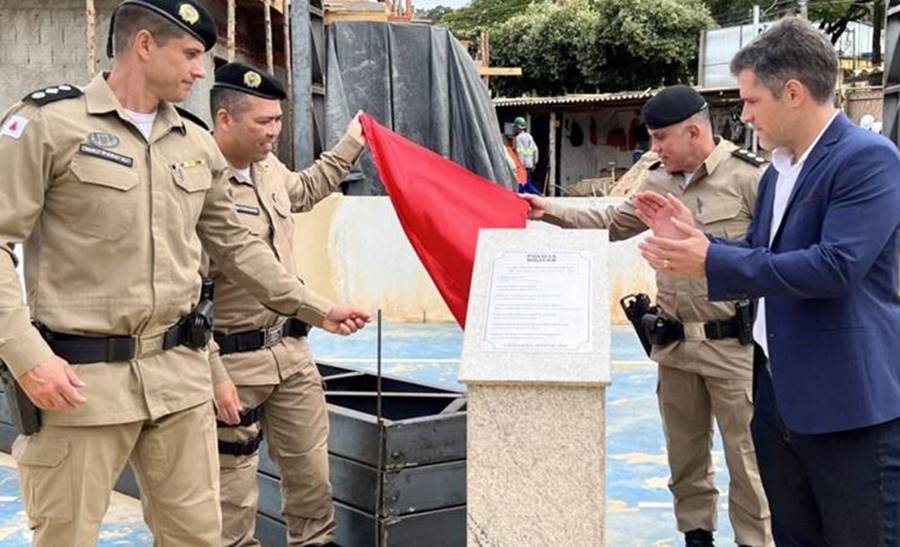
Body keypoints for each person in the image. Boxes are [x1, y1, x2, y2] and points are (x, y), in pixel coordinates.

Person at [0, 2, 370, 545]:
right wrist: (27, 358)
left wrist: (318, 308)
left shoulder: (196, 143)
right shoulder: (48, 124)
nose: (201, 71)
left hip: (181, 380)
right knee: (66, 536)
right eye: (192, 54)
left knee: (197, 536)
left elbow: (240, 250)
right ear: (144, 45)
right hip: (80, 383)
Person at [636, 17, 900, 546]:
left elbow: (834, 267)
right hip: (779, 398)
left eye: (752, 101)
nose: (746, 114)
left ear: (794, 93)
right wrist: (702, 243)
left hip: (848, 406)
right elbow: (763, 254)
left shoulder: (866, 160)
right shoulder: (780, 170)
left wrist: (710, 261)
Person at [523, 85, 772, 547]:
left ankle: (753, 543)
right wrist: (548, 210)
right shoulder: (657, 179)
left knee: (748, 462)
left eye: (660, 139)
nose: (653, 149)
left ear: (693, 132)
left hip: (732, 348)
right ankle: (696, 538)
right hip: (674, 345)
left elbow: (771, 254)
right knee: (685, 459)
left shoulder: (750, 178)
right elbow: (616, 222)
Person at [207, 62, 365, 546]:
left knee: (312, 483)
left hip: (291, 356)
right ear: (225, 119)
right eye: (263, 122)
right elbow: (184, 297)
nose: (274, 132)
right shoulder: (198, 185)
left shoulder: (268, 168)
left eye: (278, 120)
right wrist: (213, 375)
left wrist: (352, 143)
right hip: (235, 363)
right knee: (232, 499)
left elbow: (307, 190)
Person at [514, 116, 541, 194]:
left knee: (524, 184)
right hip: (530, 164)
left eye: (515, 126)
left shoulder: (518, 138)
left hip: (523, 165)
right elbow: (535, 149)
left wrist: (519, 165)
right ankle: (536, 194)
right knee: (526, 182)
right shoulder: (529, 136)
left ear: (517, 127)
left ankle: (537, 194)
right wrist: (535, 162)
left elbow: (520, 152)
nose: (514, 129)